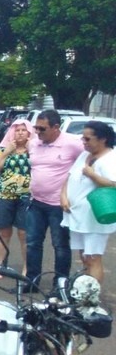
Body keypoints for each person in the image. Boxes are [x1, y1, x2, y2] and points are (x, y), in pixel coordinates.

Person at [26, 109, 84, 292]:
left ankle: (60, 286)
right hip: (36, 202)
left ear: (56, 127)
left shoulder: (73, 144)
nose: (38, 132)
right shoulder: (34, 144)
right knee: (33, 243)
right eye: (36, 128)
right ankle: (32, 281)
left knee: (60, 246)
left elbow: (91, 159)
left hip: (58, 206)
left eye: (42, 129)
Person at [61, 120, 116, 285]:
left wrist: (92, 175)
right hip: (77, 215)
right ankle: (84, 293)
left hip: (95, 218)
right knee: (84, 257)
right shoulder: (85, 155)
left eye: (88, 139)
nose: (83, 142)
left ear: (103, 139)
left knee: (93, 258)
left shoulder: (110, 159)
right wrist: (63, 195)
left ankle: (92, 299)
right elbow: (70, 176)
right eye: (82, 138)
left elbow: (113, 184)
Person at [0, 118, 33, 276]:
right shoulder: (3, 149)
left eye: (23, 130)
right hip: (5, 195)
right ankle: (1, 265)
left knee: (24, 233)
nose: (20, 133)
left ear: (29, 132)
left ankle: (27, 267)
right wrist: (7, 152)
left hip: (27, 196)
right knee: (4, 231)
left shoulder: (34, 149)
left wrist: (31, 149)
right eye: (17, 130)